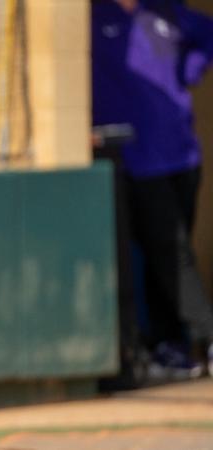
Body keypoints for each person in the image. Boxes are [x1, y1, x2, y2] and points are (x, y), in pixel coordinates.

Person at [91, 0, 213, 379]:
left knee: (167, 253)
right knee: (171, 251)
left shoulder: (165, 11)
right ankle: (207, 335)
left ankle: (169, 345)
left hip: (183, 155)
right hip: (134, 159)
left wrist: (190, 68)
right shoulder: (93, 15)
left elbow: (208, 35)